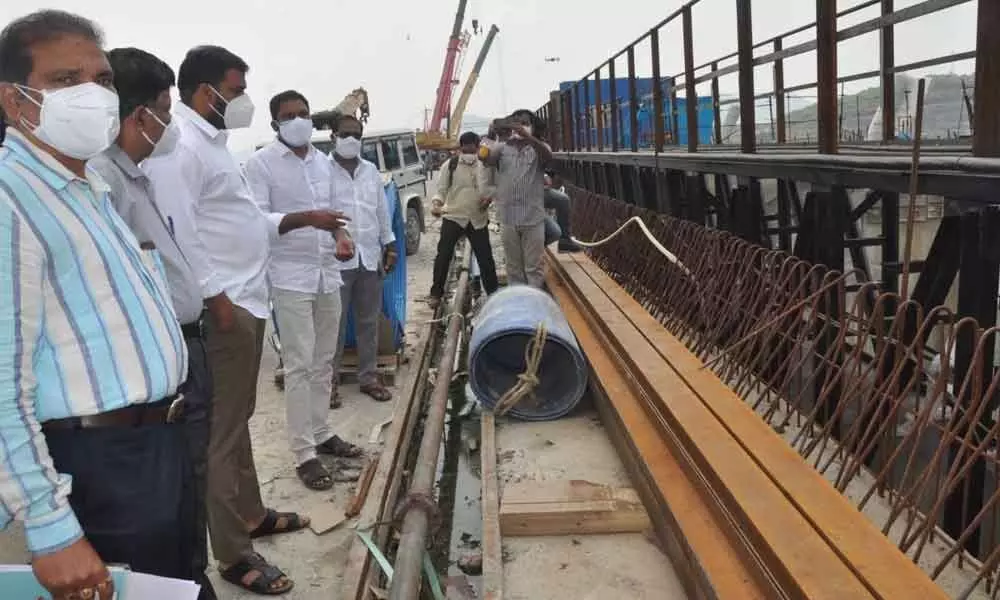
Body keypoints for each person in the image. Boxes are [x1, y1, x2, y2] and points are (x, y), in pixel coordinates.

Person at [0, 10, 190, 600]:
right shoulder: (11, 200)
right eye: (64, 80)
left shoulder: (89, 188)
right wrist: (52, 529)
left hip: (153, 448)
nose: (93, 94)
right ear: (15, 101)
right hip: (96, 467)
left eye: (102, 79)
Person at [143, 45, 304, 596]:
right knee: (221, 434)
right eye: (234, 92)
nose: (240, 103)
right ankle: (234, 555)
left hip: (246, 299)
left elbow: (238, 217)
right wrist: (216, 299)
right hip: (226, 307)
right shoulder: (181, 147)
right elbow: (178, 232)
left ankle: (251, 513)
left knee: (239, 422)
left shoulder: (212, 145)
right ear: (203, 91)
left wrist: (296, 219)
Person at [86, 46, 217, 600]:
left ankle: (189, 574)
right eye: (166, 110)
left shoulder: (133, 176)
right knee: (163, 505)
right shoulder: (102, 182)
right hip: (144, 384)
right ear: (141, 115)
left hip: (180, 355)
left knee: (188, 487)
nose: (170, 124)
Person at [244, 90, 365, 492]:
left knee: (324, 359)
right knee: (298, 364)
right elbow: (257, 221)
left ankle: (321, 431)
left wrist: (340, 234)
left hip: (326, 272)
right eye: (289, 115)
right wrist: (308, 218)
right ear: (276, 124)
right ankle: (303, 453)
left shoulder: (322, 163)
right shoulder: (261, 164)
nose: (298, 120)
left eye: (304, 113)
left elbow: (333, 214)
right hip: (290, 276)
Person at [330, 114, 397, 404]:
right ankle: (328, 383)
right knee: (333, 323)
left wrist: (390, 245)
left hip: (370, 257)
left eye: (356, 135)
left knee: (368, 322)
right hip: (337, 260)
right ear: (333, 135)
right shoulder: (322, 170)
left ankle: (368, 377)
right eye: (345, 134)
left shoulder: (371, 170)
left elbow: (381, 211)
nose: (351, 140)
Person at [481, 109, 553, 288]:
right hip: (508, 219)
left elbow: (548, 157)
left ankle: (534, 304)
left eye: (525, 123)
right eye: (517, 123)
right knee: (514, 268)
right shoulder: (502, 148)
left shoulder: (539, 148)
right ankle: (518, 304)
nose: (521, 127)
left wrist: (528, 138)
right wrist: (492, 133)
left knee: (534, 268)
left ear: (533, 127)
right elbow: (483, 157)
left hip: (533, 218)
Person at [428, 131, 499, 307]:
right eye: (465, 149)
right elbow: (441, 190)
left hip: (477, 218)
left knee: (485, 258)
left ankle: (494, 295)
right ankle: (435, 293)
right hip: (454, 217)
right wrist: (436, 204)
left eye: (472, 150)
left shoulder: (485, 165)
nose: (469, 154)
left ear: (478, 148)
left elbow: (492, 187)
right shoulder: (450, 165)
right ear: (460, 148)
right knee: (443, 255)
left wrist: (488, 198)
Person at [543, 168, 581, 252]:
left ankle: (564, 240)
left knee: (563, 200)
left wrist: (544, 176)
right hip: (522, 190)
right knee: (554, 232)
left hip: (536, 187)